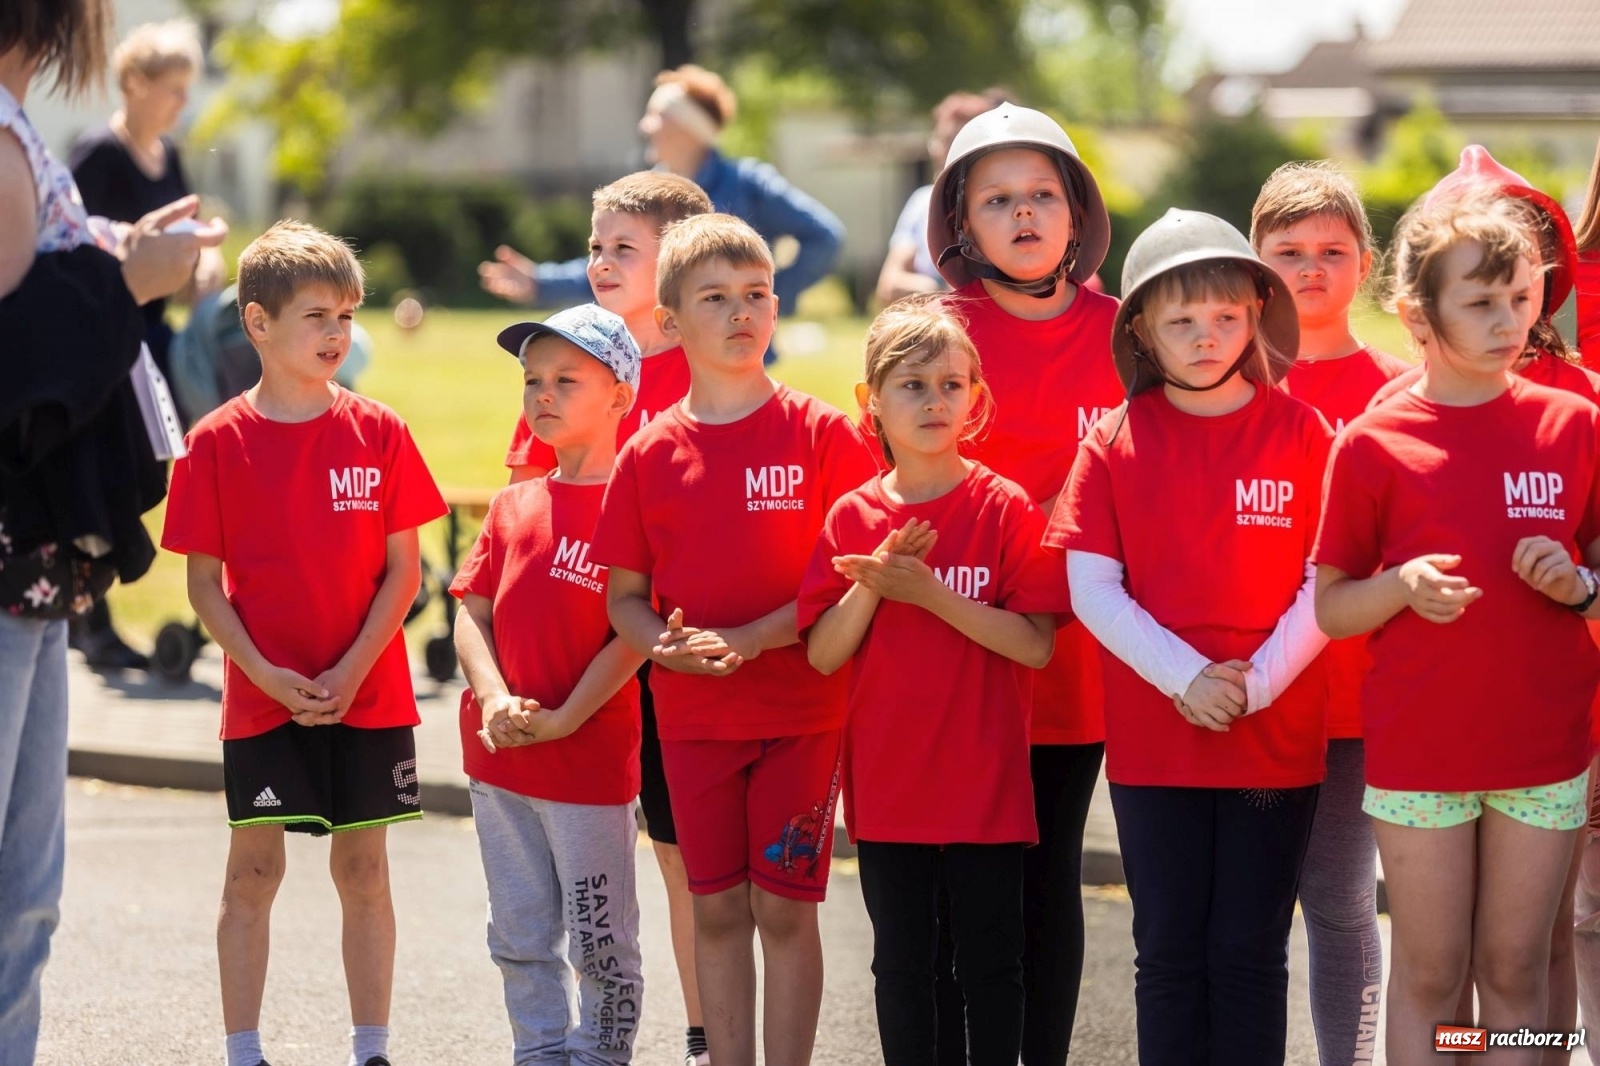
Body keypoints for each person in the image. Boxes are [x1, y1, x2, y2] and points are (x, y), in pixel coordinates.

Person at [1314, 191, 1600, 1066]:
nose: (1510, 319)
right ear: (1417, 313)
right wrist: (1399, 586)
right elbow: (1330, 605)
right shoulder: (1371, 444)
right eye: (1480, 302)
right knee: (1435, 977)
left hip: (1543, 753)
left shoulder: (1579, 427)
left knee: (1516, 971)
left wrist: (1582, 586)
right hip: (1419, 759)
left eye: (1522, 297)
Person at [592, 213, 877, 1066]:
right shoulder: (646, 454)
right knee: (717, 909)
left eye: (756, 295)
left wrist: (753, 637)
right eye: (715, 298)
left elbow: (846, 582)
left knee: (786, 909)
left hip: (802, 709)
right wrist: (661, 648)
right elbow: (624, 601)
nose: (741, 312)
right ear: (671, 322)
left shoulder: (824, 435)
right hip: (691, 719)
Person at [1049, 208, 1332, 1065]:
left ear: (1254, 313)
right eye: (1180, 321)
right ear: (1140, 328)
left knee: (1250, 954)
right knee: (1168, 952)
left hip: (1274, 740)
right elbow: (1092, 590)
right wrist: (1189, 679)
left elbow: (1329, 581)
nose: (1204, 337)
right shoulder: (1110, 442)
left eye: (1225, 317)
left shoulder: (1309, 434)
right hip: (1154, 744)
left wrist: (1257, 685)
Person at [161, 220, 447, 1066]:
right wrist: (268, 676)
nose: (336, 335)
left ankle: (371, 1050)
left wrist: (353, 669)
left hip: (371, 692)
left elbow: (407, 575)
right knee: (254, 875)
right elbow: (204, 587)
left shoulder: (381, 431)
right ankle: (243, 1051)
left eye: (347, 318)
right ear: (257, 323)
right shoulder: (214, 443)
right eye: (317, 316)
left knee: (365, 874)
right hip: (263, 694)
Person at [1, 1, 225, 1059]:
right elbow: (16, 360)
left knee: (26, 896)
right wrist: (126, 277)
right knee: (17, 892)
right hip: (13, 558)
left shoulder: (18, 124)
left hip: (35, 569)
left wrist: (123, 255)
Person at [799, 296, 1067, 1064]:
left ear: (975, 400)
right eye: (912, 385)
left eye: (951, 385)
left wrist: (931, 594)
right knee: (904, 969)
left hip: (987, 788)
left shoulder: (1003, 506)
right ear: (871, 401)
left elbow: (1036, 646)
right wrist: (876, 583)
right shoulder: (851, 517)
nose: (934, 401)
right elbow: (821, 653)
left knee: (991, 967)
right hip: (889, 789)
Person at [497, 170, 717, 1066]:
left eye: (623, 246)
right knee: (586, 882)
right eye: (595, 245)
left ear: (678, 259)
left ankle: (710, 1034)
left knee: (681, 857)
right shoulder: (564, 365)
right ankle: (574, 1042)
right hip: (581, 667)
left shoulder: (711, 366)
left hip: (667, 656)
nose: (599, 262)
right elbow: (526, 519)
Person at [920, 101, 1122, 1066]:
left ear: (1078, 213)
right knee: (963, 908)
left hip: (1082, 667)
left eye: (1044, 193)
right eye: (998, 199)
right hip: (957, 663)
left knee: (1049, 891)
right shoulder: (927, 338)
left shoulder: (1133, 334)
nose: (1026, 213)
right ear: (961, 221)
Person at [450, 304, 646, 1064]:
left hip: (587, 770)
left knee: (601, 944)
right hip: (500, 765)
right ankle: (536, 1052)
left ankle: (599, 1055)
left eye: (569, 378)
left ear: (622, 394)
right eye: (534, 379)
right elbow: (471, 611)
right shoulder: (513, 504)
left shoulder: (635, 507)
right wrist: (494, 698)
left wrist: (565, 718)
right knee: (520, 933)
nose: (544, 394)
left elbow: (635, 635)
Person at [1250, 160, 1405, 1066]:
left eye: (1333, 251)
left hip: (1360, 699)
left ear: (1368, 262)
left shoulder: (1399, 389)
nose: (1311, 268)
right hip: (1255, 693)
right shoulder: (1223, 384)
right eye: (1290, 251)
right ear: (1255, 259)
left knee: (1342, 903)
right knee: (1249, 914)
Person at [479, 65, 843, 363]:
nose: (644, 127)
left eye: (656, 116)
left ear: (687, 128)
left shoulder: (750, 183)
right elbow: (621, 262)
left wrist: (760, 297)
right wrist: (539, 281)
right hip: (653, 357)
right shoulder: (648, 190)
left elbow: (825, 238)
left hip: (734, 354)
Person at [63, 19, 228, 671]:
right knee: (112, 471)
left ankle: (225, 603)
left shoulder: (172, 156)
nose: (182, 103)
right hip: (110, 342)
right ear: (133, 83)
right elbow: (76, 249)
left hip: (158, 340)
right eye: (172, 89)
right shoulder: (98, 154)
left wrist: (202, 270)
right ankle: (88, 618)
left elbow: (184, 248)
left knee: (194, 464)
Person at [874, 90, 1005, 306]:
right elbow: (889, 285)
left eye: (955, 142)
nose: (941, 151)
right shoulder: (922, 202)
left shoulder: (1002, 205)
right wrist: (939, 288)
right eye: (941, 140)